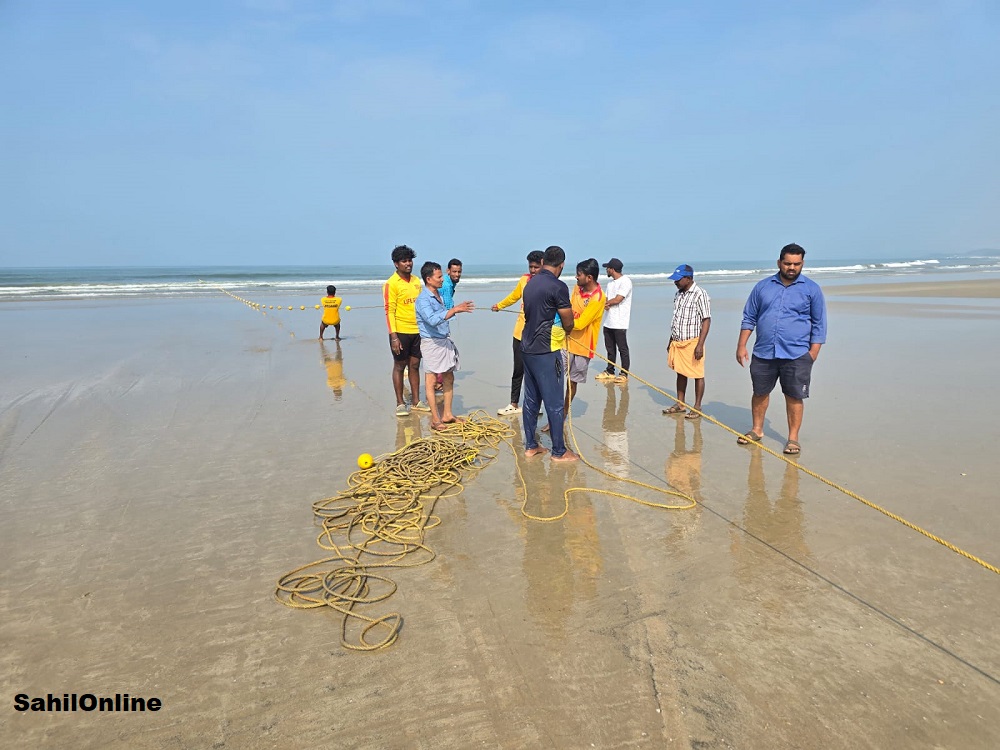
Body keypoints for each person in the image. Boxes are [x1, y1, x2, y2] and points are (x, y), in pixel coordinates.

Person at [736, 243, 827, 454]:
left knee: (794, 396)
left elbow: (819, 323)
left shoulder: (811, 289)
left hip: (797, 354)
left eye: (796, 264)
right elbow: (749, 317)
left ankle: (793, 438)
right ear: (779, 263)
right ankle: (757, 430)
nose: (792, 268)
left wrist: (813, 353)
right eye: (787, 263)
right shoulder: (762, 287)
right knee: (760, 392)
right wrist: (741, 345)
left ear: (802, 263)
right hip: (764, 352)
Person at [520, 246, 577, 462]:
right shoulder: (558, 286)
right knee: (554, 402)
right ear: (561, 265)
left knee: (531, 399)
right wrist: (568, 330)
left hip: (527, 348)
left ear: (543, 262)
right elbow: (568, 320)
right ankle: (559, 451)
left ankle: (531, 445)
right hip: (547, 350)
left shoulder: (531, 283)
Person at [414, 261, 475, 430]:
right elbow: (432, 320)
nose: (442, 279)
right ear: (428, 279)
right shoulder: (423, 299)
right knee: (431, 381)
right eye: (439, 276)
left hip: (443, 340)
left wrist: (455, 308)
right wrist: (454, 310)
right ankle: (435, 420)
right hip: (431, 343)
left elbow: (442, 312)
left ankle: (447, 414)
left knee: (449, 377)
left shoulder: (439, 293)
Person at [492, 250, 544, 416]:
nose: (533, 270)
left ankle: (535, 404)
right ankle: (514, 404)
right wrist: (499, 305)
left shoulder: (546, 283)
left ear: (543, 265)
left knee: (535, 372)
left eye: (536, 267)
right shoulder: (524, 280)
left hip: (537, 335)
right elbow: (514, 297)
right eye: (531, 267)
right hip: (520, 333)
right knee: (518, 370)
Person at [383, 245, 431, 417]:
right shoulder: (391, 284)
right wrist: (393, 337)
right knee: (399, 366)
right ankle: (400, 403)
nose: (408, 264)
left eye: (410, 260)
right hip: (400, 332)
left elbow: (422, 305)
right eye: (404, 261)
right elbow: (389, 311)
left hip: (418, 331)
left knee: (415, 365)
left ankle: (417, 401)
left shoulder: (417, 281)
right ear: (396, 264)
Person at [664, 264, 712, 420]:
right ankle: (680, 403)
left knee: (698, 374)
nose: (675, 282)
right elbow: (676, 318)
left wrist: (700, 345)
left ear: (688, 278)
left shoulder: (700, 294)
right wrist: (671, 340)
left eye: (678, 279)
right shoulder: (678, 294)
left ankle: (697, 407)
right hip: (678, 341)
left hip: (693, 341)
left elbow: (706, 320)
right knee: (681, 372)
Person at [565, 258, 605, 411]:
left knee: (572, 382)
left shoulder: (598, 298)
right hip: (566, 341)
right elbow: (569, 307)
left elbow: (581, 323)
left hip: (583, 347)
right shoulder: (577, 288)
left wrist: (560, 323)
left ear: (589, 278)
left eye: (579, 274)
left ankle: (563, 414)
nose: (576, 277)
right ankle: (554, 411)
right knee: (554, 375)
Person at [596, 258, 633, 384]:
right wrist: (605, 304)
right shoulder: (610, 284)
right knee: (610, 348)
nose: (606, 270)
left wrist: (607, 303)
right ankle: (610, 371)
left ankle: (624, 373)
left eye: (607, 268)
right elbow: (606, 300)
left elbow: (618, 299)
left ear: (612, 269)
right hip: (609, 321)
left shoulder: (625, 281)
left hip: (620, 321)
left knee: (622, 348)